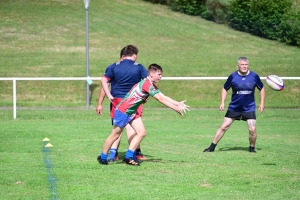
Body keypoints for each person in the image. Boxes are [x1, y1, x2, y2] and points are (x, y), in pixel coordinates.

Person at [98, 63, 190, 166]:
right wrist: (175, 108)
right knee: (115, 135)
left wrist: (177, 103)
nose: (161, 76)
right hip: (123, 111)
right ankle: (102, 157)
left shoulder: (150, 84)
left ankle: (128, 156)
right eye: (159, 74)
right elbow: (160, 99)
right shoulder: (146, 84)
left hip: (131, 112)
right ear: (151, 75)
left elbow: (163, 96)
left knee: (141, 132)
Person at [96, 45, 148, 162]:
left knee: (117, 130)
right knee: (131, 129)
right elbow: (146, 84)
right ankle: (133, 154)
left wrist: (108, 96)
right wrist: (144, 97)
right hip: (133, 101)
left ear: (123, 56)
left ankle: (114, 154)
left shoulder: (113, 67)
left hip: (117, 101)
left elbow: (103, 81)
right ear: (134, 55)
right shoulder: (139, 67)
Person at [203, 57, 265, 153]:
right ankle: (211, 147)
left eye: (246, 64)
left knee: (252, 129)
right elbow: (224, 88)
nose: (244, 66)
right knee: (224, 127)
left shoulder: (254, 76)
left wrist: (262, 103)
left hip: (249, 107)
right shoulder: (233, 76)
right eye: (242, 64)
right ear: (238, 66)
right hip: (234, 107)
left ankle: (252, 148)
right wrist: (222, 102)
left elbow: (262, 88)